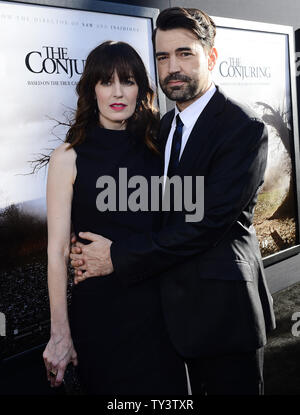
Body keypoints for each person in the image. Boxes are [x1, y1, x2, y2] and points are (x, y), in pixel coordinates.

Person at [70, 8, 276, 395]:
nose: (172, 68)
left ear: (211, 57)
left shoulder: (242, 128)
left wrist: (117, 255)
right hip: (167, 321)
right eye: (163, 57)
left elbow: (208, 223)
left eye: (184, 53)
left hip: (222, 319)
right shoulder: (163, 128)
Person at [42, 40, 188, 394]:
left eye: (128, 80)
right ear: (92, 89)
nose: (118, 92)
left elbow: (179, 229)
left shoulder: (161, 148)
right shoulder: (67, 157)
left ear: (141, 87)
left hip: (160, 312)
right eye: (107, 82)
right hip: (100, 315)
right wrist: (59, 333)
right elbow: (58, 252)